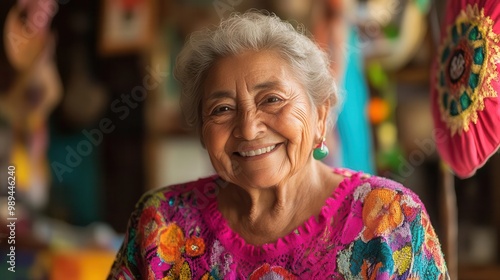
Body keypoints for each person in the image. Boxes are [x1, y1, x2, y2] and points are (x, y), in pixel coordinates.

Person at [108, 11, 449, 279]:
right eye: (222, 109)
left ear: (320, 115)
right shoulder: (162, 222)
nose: (248, 127)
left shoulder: (389, 219)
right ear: (201, 131)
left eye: (271, 100)